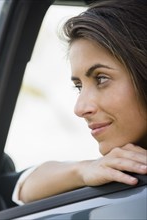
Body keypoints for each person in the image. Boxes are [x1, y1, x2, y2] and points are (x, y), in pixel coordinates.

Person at [12, 0, 147, 204]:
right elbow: (22, 188)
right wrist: (85, 169)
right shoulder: (114, 170)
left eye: (101, 79)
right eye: (79, 86)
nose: (80, 108)